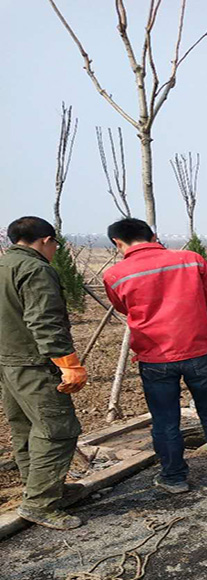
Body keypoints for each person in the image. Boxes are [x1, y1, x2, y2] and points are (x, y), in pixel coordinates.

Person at [103, 218, 207, 493]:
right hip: (199, 351)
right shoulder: (191, 260)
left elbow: (125, 308)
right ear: (153, 235)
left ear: (117, 242)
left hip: (155, 358)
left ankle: (173, 477)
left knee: (164, 420)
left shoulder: (115, 274)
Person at [0, 216, 87, 530]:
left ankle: (40, 488)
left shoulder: (4, 266)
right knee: (57, 429)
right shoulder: (35, 269)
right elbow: (45, 323)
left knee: (25, 427)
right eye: (54, 245)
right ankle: (40, 503)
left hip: (8, 363)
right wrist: (70, 365)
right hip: (34, 364)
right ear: (46, 241)